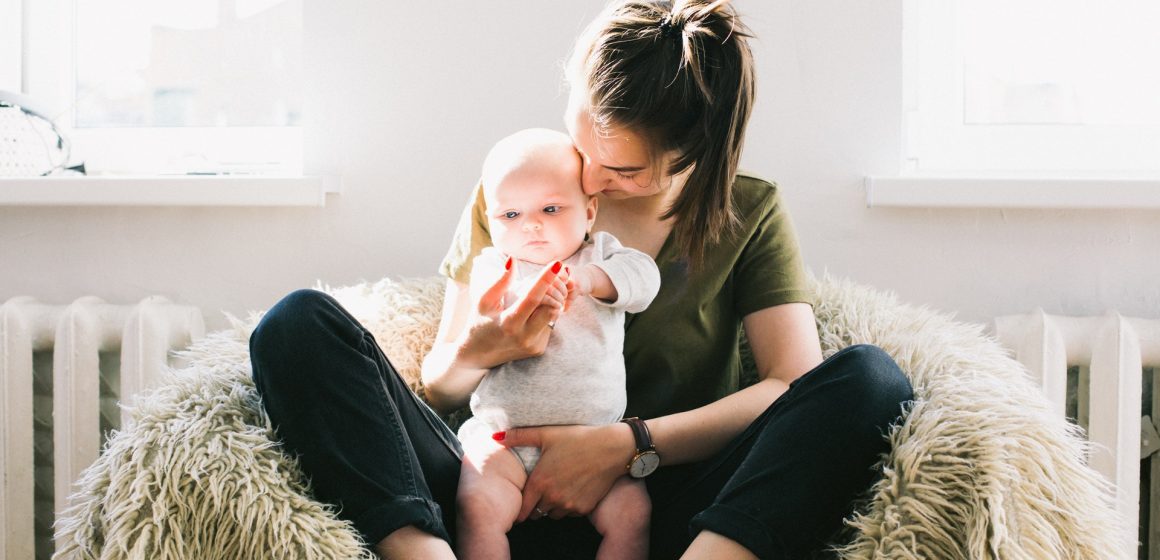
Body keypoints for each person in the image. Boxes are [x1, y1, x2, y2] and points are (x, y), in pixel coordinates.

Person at [249, 1, 915, 559]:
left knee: (871, 381)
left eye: (624, 171)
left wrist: (625, 448)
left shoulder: (750, 213)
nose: (589, 181)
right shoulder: (524, 192)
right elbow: (439, 387)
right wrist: (482, 350)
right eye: (582, 145)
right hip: (490, 497)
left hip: (658, 510)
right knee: (295, 325)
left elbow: (787, 386)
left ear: (697, 154)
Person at [455, 127, 659, 560]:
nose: (530, 225)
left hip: (595, 448)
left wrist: (588, 281)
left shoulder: (599, 256)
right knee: (476, 506)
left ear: (589, 212)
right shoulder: (496, 264)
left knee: (633, 514)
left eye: (550, 208)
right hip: (504, 442)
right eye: (510, 215)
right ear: (490, 220)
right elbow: (485, 305)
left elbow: (645, 280)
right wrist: (499, 302)